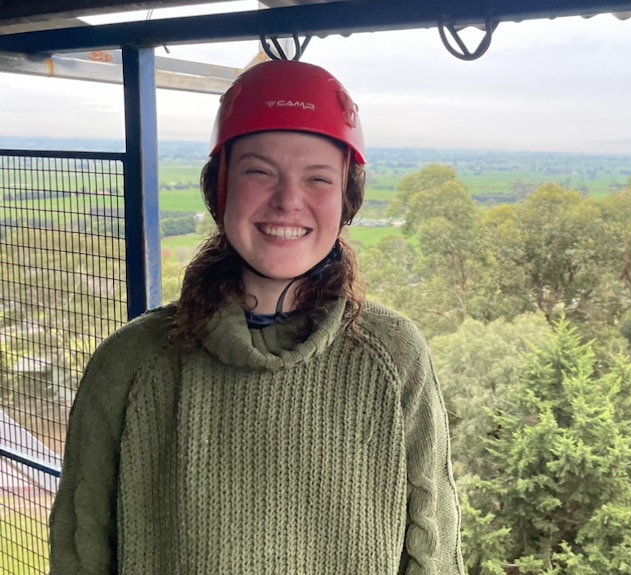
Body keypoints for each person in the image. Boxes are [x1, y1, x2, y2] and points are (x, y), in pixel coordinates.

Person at [48, 59, 464, 575]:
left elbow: (433, 547)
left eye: (318, 179)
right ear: (219, 188)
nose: (289, 200)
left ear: (347, 201)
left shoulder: (394, 355)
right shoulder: (131, 363)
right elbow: (81, 545)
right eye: (260, 171)